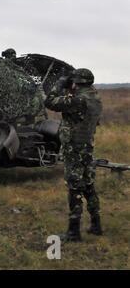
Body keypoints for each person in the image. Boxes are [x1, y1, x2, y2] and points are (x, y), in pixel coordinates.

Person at [44, 68, 103, 242]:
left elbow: (50, 101)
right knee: (88, 184)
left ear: (77, 82)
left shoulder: (77, 99)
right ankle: (96, 225)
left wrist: (59, 85)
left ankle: (73, 231)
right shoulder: (96, 97)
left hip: (74, 149)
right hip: (87, 147)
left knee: (74, 187)